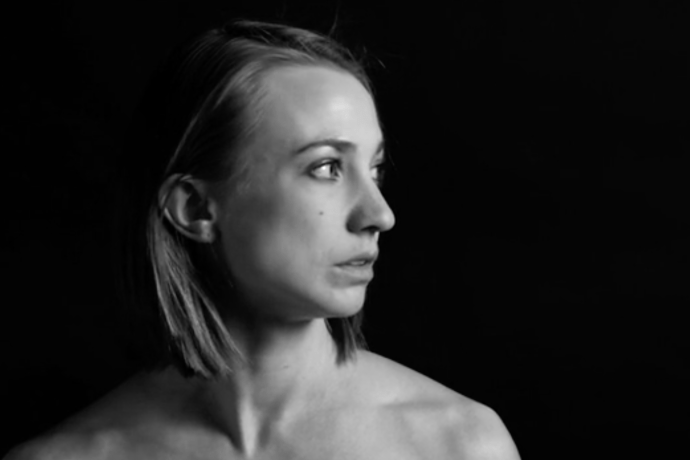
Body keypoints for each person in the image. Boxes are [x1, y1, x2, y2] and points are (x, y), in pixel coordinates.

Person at [5, 20, 520, 460]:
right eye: (326, 167)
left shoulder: (457, 446)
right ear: (196, 208)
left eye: (375, 168)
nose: (379, 215)